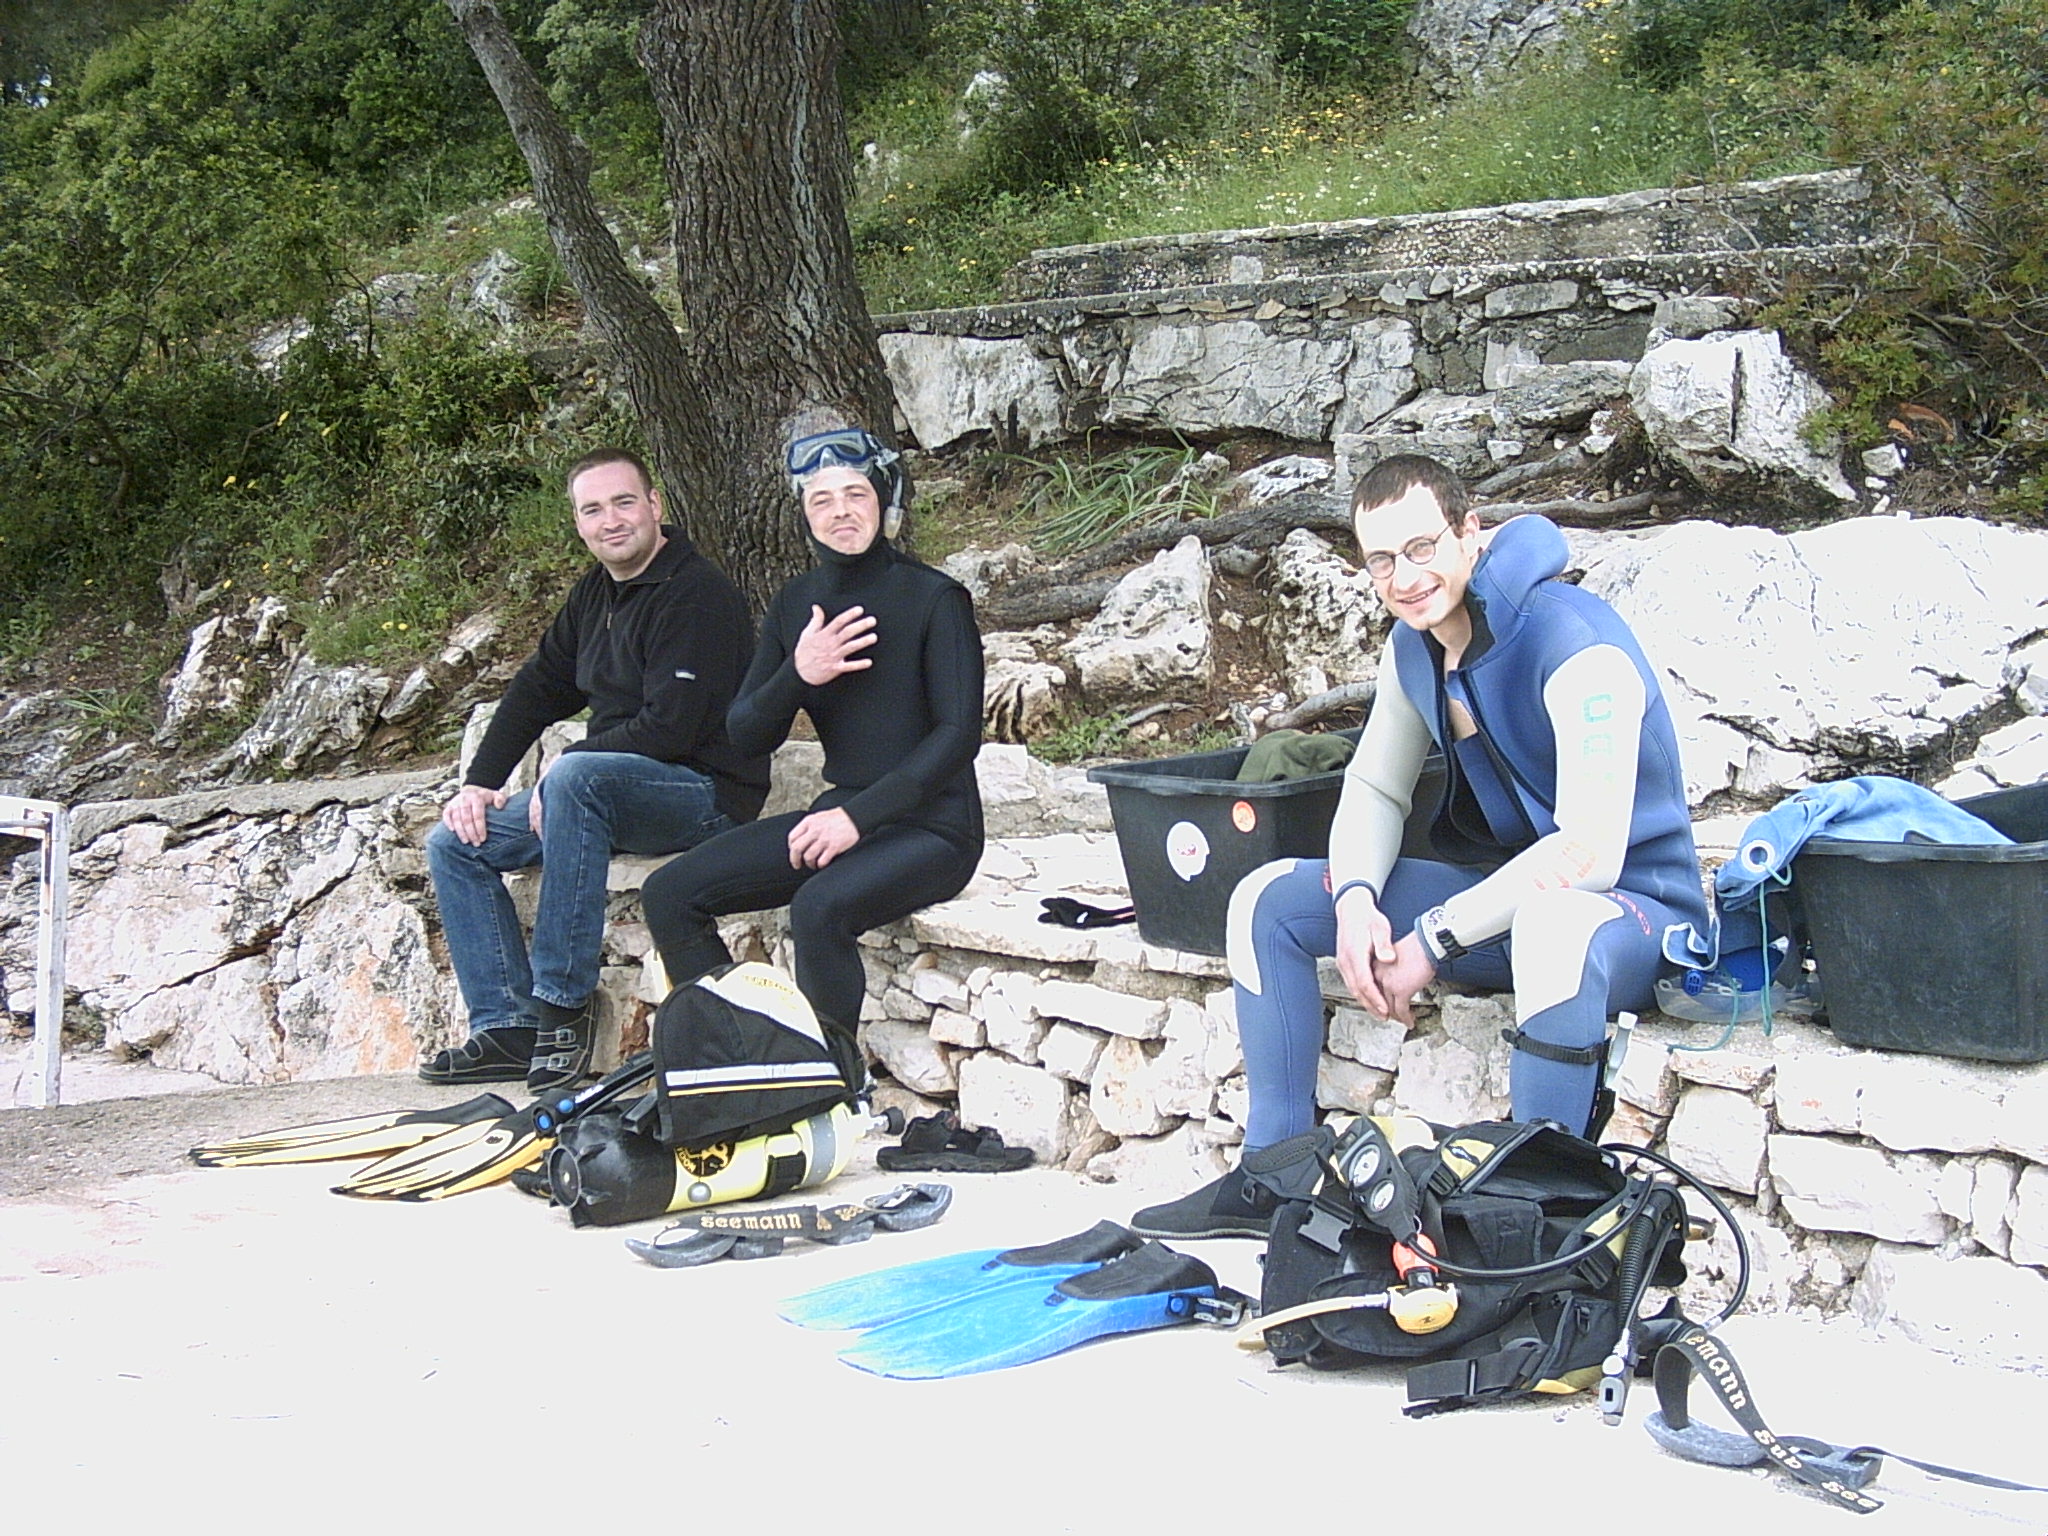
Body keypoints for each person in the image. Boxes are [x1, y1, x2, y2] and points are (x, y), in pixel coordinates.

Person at [1132, 453, 1712, 1240]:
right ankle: (1273, 1174)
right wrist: (1355, 900)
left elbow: (1589, 853)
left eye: (1421, 548)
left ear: (1469, 533)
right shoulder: (1416, 649)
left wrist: (1435, 939)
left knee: (1555, 924)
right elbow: (1376, 788)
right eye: (1381, 560)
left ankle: (1535, 1223)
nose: (1404, 578)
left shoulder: (1576, 644)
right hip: (1507, 907)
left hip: (1634, 919)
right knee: (1267, 899)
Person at [640, 424, 984, 1084]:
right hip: (842, 816)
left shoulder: (935, 599)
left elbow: (957, 735)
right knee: (670, 894)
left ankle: (830, 1087)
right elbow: (745, 734)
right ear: (804, 514)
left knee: (819, 908)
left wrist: (857, 818)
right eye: (821, 499)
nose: (840, 511)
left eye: (856, 494)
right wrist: (799, 674)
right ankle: (738, 1062)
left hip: (936, 829)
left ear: (886, 503)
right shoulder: (797, 604)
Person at [422, 449, 769, 1093]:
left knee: (576, 781)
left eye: (624, 502)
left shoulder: (697, 594)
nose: (611, 520)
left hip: (702, 793)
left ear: (655, 505)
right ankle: (506, 1027)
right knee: (455, 842)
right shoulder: (595, 594)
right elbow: (538, 687)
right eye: (593, 509)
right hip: (608, 792)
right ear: (579, 524)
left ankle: (562, 1006)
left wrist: (567, 767)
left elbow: (671, 728)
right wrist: (479, 783)